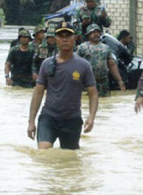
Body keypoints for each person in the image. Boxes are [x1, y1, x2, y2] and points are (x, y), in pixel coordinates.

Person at [27, 22, 98, 150]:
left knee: (70, 159)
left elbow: (93, 93)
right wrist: (31, 121)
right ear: (55, 40)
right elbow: (38, 93)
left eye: (68, 36)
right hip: (48, 118)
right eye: (61, 36)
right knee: (44, 151)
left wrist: (91, 117)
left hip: (72, 120)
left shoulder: (83, 65)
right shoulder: (47, 64)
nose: (64, 39)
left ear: (75, 38)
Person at [76, 24, 125, 97]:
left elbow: (112, 65)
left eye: (97, 32)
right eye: (93, 32)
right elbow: (76, 65)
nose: (95, 34)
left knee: (104, 103)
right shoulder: (82, 48)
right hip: (86, 83)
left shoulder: (106, 48)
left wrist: (119, 81)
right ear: (88, 35)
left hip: (103, 84)